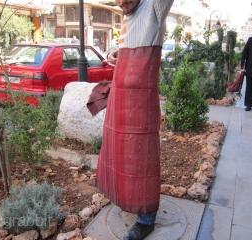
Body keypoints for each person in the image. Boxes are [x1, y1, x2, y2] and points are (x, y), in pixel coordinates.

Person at [96, 0, 173, 239]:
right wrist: (112, 53)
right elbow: (115, 51)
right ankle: (126, 200)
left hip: (141, 102)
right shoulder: (126, 15)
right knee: (119, 154)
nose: (121, 2)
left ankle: (146, 219)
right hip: (120, 96)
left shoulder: (154, 8)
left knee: (142, 157)